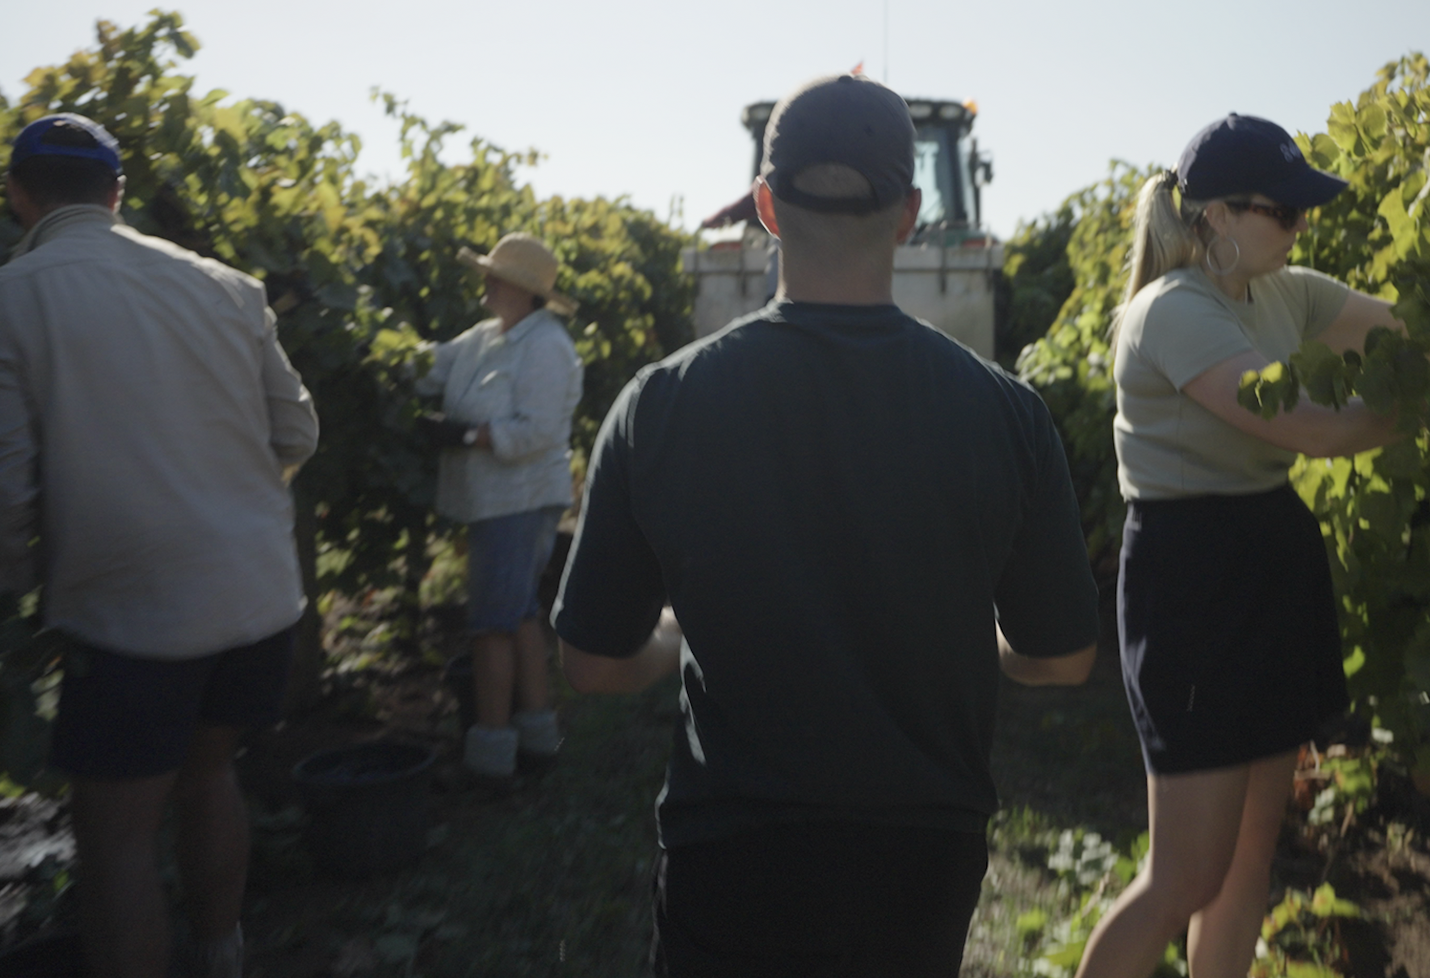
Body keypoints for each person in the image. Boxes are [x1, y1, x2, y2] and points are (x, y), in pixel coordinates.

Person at [551, 74, 1101, 977]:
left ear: (765, 206)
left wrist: (671, 638)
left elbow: (594, 663)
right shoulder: (1007, 414)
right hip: (922, 856)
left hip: (732, 852)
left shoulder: (661, 405)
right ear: (910, 214)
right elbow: (1061, 657)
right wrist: (981, 636)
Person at [0, 113, 318, 978]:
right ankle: (223, 957)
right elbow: (297, 431)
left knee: (116, 839)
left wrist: (27, 585)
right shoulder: (228, 287)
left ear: (18, 197)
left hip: (132, 618)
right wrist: (224, 493)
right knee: (210, 773)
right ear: (117, 194)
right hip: (258, 599)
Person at [1072, 114, 1401, 978]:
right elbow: (1308, 428)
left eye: (1303, 212)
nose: (1300, 226)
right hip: (1194, 579)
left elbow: (1409, 336)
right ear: (1213, 216)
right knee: (1183, 876)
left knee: (1250, 857)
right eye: (1282, 211)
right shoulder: (1173, 312)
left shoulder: (1286, 291)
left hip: (1268, 558)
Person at [414, 233, 583, 778]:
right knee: (519, 614)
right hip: (498, 499)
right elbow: (428, 366)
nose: (484, 280)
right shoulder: (488, 336)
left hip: (519, 498)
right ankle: (537, 736)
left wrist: (465, 437)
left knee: (491, 623)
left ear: (524, 290)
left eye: (494, 274)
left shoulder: (547, 346)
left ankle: (490, 756)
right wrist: (372, 344)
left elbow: (536, 431)